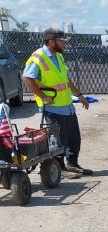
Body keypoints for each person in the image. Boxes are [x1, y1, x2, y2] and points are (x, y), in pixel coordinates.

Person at [22, 28, 91, 179]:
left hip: (67, 105)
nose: (65, 44)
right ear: (51, 41)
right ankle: (60, 168)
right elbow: (27, 78)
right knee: (58, 139)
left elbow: (66, 79)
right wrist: (43, 97)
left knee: (74, 138)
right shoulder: (38, 57)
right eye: (62, 41)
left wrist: (79, 95)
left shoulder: (58, 56)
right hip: (53, 108)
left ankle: (72, 164)